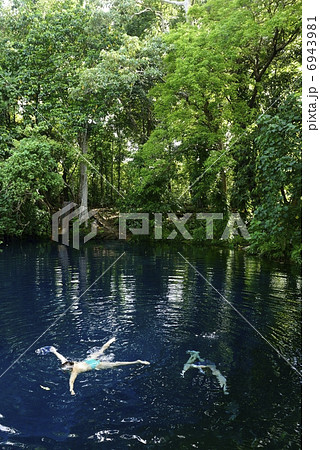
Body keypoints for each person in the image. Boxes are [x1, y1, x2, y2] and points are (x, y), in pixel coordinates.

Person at [36, 338, 150, 395]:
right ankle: (111, 341)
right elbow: (60, 356)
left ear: (69, 368)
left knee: (115, 364)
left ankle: (137, 362)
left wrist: (71, 390)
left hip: (96, 365)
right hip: (90, 361)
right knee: (101, 350)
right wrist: (53, 351)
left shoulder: (74, 371)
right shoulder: (70, 363)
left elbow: (71, 382)